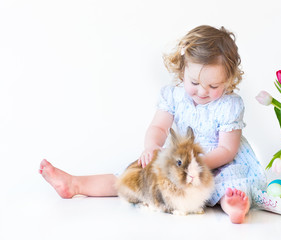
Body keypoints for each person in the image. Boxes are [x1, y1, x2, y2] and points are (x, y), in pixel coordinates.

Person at [39, 25, 267, 224]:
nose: (202, 91)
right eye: (195, 82)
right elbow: (158, 128)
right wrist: (152, 147)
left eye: (214, 86)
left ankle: (233, 207)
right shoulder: (175, 96)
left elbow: (227, 150)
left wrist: (198, 166)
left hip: (216, 163)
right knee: (134, 176)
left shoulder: (229, 105)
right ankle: (75, 184)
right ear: (182, 70)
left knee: (230, 183)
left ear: (228, 79)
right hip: (179, 160)